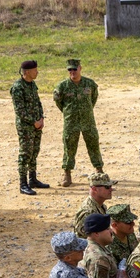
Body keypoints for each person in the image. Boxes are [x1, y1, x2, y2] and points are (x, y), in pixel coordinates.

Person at [53, 59, 102, 187]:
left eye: (75, 69)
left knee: (93, 143)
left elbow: (93, 98)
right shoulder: (62, 86)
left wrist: (86, 110)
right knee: (69, 146)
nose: (72, 72)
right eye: (70, 70)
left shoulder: (89, 84)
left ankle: (99, 170)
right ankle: (67, 174)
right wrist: (68, 111)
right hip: (71, 122)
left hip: (88, 121)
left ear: (80, 68)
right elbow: (59, 102)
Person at [11, 59, 48, 196]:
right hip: (26, 127)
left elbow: (37, 102)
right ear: (27, 72)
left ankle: (33, 179)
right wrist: (34, 122)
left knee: (34, 152)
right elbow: (20, 111)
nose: (37, 72)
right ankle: (23, 184)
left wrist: (41, 118)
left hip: (37, 125)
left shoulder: (32, 85)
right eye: (35, 70)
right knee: (25, 154)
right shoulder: (18, 87)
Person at [73, 172, 116, 239]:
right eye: (107, 187)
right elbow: (87, 238)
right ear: (94, 189)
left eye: (111, 186)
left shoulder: (101, 205)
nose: (111, 189)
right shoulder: (87, 211)